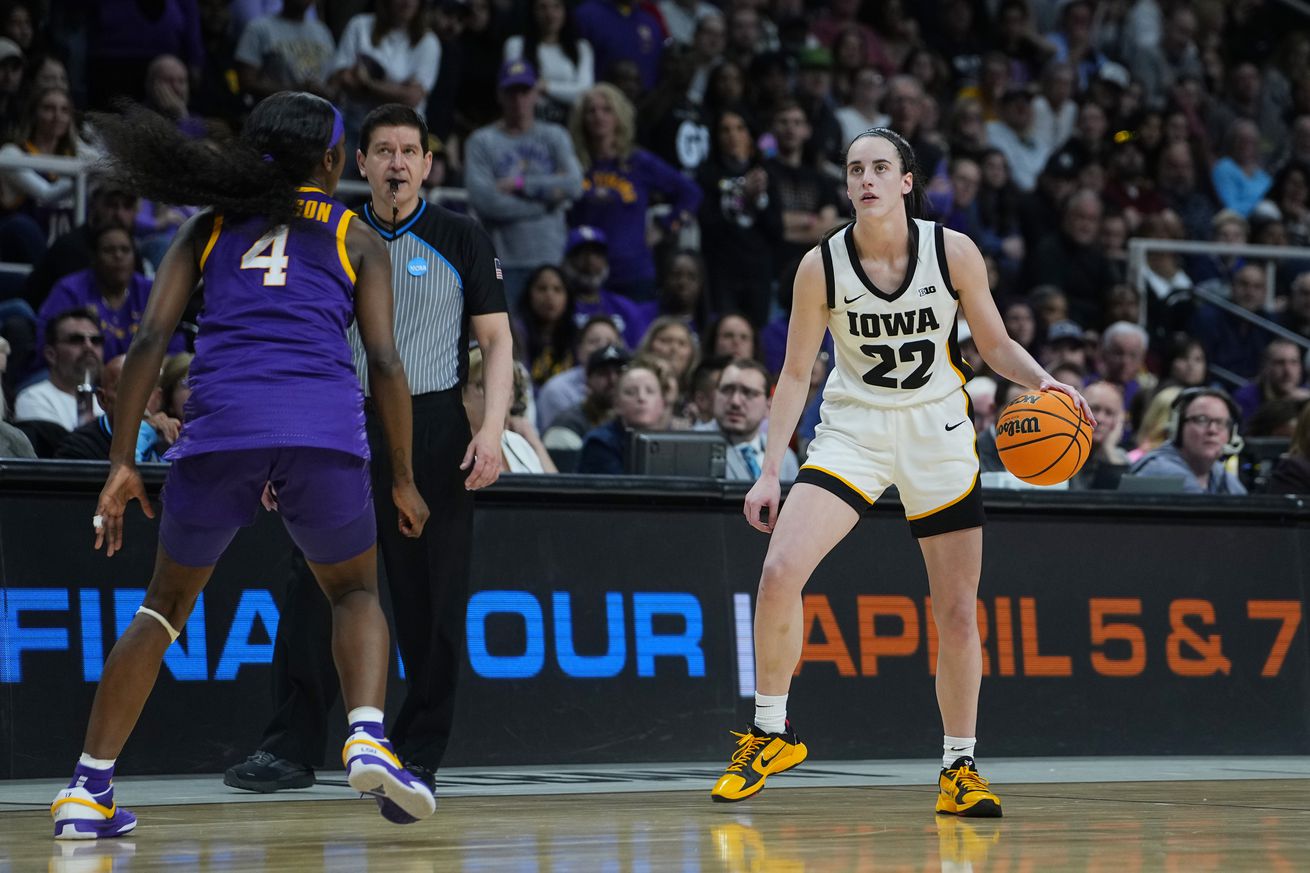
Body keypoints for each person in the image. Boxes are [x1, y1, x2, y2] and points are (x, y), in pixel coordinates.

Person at [51, 92, 437, 841]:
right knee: (355, 589)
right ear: (332, 162)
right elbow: (386, 361)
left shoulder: (208, 227)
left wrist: (122, 460)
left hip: (221, 427)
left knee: (162, 609)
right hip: (321, 430)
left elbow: (149, 339)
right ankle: (365, 733)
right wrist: (402, 476)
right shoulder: (357, 236)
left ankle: (85, 787)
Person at [709, 127, 1092, 815]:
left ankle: (959, 767)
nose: (867, 178)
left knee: (955, 612)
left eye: (881, 166)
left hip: (938, 432)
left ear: (907, 180)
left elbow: (994, 342)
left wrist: (1048, 384)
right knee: (777, 573)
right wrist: (771, 469)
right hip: (853, 429)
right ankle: (772, 730)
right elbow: (796, 373)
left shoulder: (952, 251)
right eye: (855, 167)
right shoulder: (819, 266)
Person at [221, 104, 511, 796]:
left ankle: (417, 747)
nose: (398, 164)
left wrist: (492, 428)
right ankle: (289, 747)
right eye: (384, 150)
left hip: (434, 422)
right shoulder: (329, 235)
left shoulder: (460, 235)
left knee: (431, 599)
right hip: (336, 419)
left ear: (429, 165)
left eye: (411, 151)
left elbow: (497, 342)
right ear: (359, 164)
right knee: (312, 590)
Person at [464, 59, 583, 304]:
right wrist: (547, 203)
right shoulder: (481, 141)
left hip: (552, 258)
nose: (519, 100)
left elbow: (574, 185)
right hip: (503, 260)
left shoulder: (554, 136)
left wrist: (520, 185)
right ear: (500, 95)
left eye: (525, 91)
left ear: (536, 94)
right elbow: (485, 201)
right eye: (511, 92)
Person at [38, 226, 186, 361]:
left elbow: (174, 349)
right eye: (109, 250)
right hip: (79, 376)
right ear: (94, 258)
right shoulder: (69, 290)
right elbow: (47, 343)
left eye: (125, 250)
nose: (118, 256)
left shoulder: (152, 291)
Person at [54, 353, 180, 462]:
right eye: (126, 389)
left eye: (146, 389)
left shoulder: (170, 438)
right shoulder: (77, 449)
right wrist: (140, 437)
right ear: (102, 399)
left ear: (158, 399)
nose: (138, 399)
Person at [1126, 388, 1247, 494]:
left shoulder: (1219, 474)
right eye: (1202, 420)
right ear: (1177, 428)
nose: (1212, 430)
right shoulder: (1158, 471)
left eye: (1220, 423)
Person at [14, 307, 103, 433]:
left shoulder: (107, 401)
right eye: (76, 340)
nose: (89, 346)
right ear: (51, 354)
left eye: (96, 340)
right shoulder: (33, 399)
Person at [576, 357, 667, 474]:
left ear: (662, 403)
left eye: (650, 391)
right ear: (616, 404)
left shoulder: (677, 442)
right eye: (630, 392)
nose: (641, 398)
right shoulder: (599, 443)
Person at [713, 357, 797, 481]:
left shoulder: (786, 457)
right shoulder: (691, 448)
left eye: (748, 393)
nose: (735, 401)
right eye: (727, 390)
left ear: (769, 406)